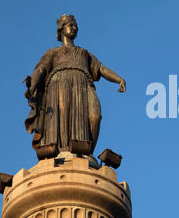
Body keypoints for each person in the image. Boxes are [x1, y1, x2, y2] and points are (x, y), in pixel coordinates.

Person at [24, 14, 126, 159]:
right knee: (63, 115)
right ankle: (62, 151)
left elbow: (101, 68)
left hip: (84, 85)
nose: (74, 27)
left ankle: (87, 152)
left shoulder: (84, 53)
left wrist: (118, 79)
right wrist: (32, 85)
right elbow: (40, 69)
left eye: (75, 25)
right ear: (61, 29)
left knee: (95, 115)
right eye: (70, 25)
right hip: (59, 85)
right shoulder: (53, 52)